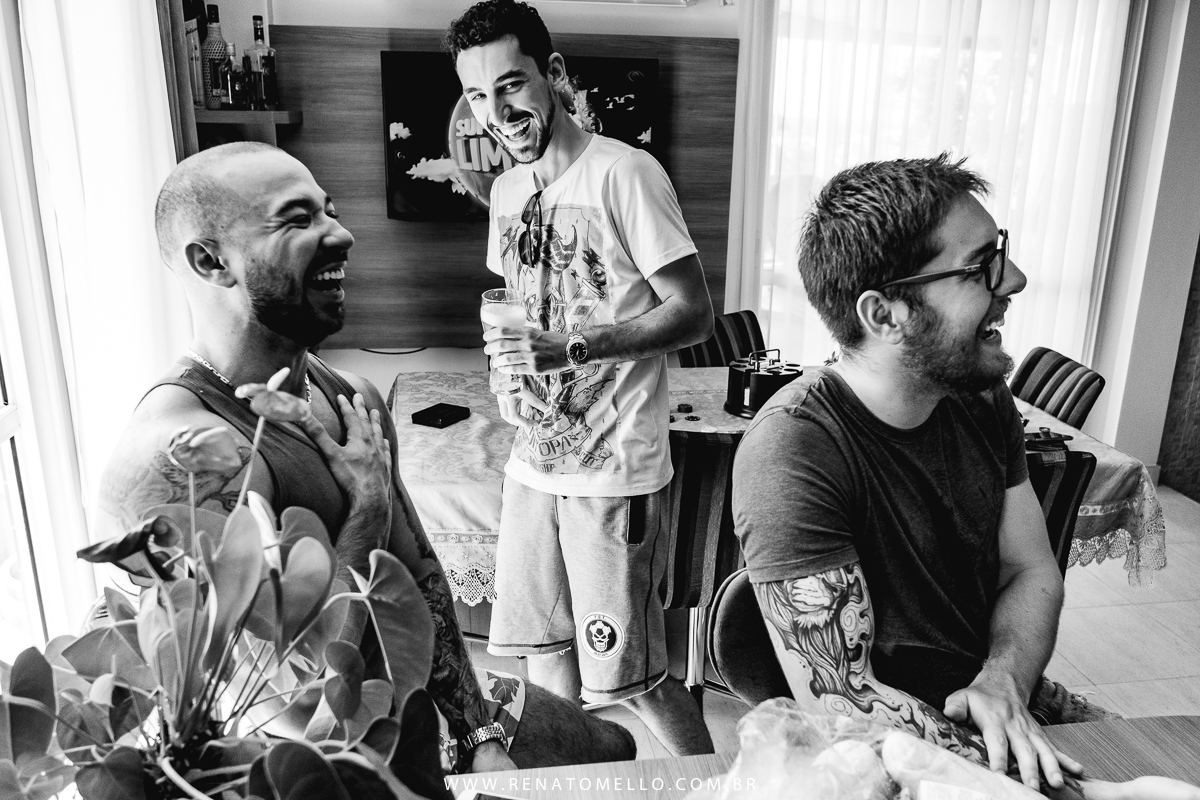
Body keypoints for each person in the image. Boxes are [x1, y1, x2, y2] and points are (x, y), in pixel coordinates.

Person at [96, 141, 635, 774]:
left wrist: (477, 734)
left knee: (615, 750)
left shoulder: (350, 395)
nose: (342, 234)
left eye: (329, 210)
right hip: (318, 762)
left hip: (421, 708)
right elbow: (299, 692)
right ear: (210, 261)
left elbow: (419, 574)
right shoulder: (183, 458)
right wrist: (367, 509)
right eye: (297, 219)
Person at [731, 155, 1120, 794]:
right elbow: (845, 701)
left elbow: (1030, 569)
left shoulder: (980, 394)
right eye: (979, 266)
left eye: (1001, 252)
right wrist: (1065, 788)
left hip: (1002, 694)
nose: (1015, 279)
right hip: (884, 753)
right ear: (884, 314)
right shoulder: (793, 448)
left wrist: (1003, 679)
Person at [445, 0, 716, 755]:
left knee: (633, 678)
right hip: (532, 464)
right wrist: (507, 369)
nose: (498, 111)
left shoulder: (626, 174)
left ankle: (715, 787)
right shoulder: (506, 192)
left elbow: (694, 314)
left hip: (614, 470)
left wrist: (569, 349)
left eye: (512, 84)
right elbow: (519, 308)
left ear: (553, 73)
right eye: (477, 95)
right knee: (542, 659)